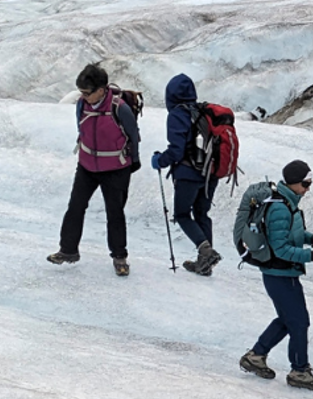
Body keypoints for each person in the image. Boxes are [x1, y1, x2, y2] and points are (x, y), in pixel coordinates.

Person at [238, 160, 313, 391]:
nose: (308, 188)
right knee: (298, 321)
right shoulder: (280, 207)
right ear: (294, 182)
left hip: (283, 273)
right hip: (278, 273)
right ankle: (299, 371)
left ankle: (256, 356)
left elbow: (293, 233)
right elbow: (281, 249)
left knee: (290, 319)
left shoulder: (288, 201)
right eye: (306, 184)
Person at [49, 63, 139, 275]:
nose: (83, 96)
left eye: (87, 92)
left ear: (101, 89)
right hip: (87, 166)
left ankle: (120, 258)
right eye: (81, 92)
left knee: (115, 212)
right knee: (75, 207)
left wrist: (132, 162)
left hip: (115, 168)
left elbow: (133, 136)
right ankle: (68, 250)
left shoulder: (119, 108)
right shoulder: (82, 105)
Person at [149, 73, 220, 275]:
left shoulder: (177, 115)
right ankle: (205, 263)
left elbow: (176, 150)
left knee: (182, 214)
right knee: (202, 213)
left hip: (188, 174)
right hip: (210, 174)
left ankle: (205, 251)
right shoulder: (203, 112)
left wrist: (159, 160)